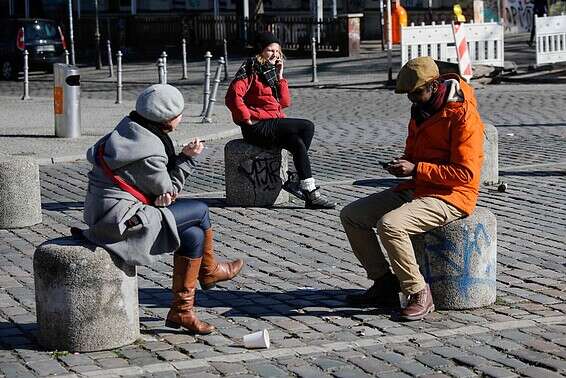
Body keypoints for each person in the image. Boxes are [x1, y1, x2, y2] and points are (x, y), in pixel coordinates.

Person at [79, 84, 244, 334]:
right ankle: (210, 272)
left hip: (108, 210)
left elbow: (155, 187)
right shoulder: (149, 152)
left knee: (193, 235)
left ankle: (182, 311)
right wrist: (188, 159)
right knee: (199, 210)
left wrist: (173, 168)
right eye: (179, 114)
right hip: (119, 221)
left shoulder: (131, 128)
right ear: (167, 119)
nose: (181, 118)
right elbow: (168, 191)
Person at [340, 57, 484, 321]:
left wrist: (417, 169)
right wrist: (404, 165)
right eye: (409, 95)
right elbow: (415, 154)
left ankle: (418, 291)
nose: (413, 99)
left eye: (417, 93)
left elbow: (465, 174)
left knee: (391, 225)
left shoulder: (462, 114)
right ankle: (384, 283)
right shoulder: (421, 110)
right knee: (352, 215)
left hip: (452, 195)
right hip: (418, 186)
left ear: (435, 85)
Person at [225, 31, 336, 209]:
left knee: (298, 143)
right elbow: (232, 97)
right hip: (257, 127)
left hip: (273, 124)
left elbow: (284, 102)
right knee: (307, 126)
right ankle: (300, 181)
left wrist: (280, 76)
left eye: (277, 51)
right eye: (270, 50)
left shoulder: (271, 72)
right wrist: (246, 119)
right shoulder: (250, 68)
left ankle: (309, 193)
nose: (275, 54)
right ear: (260, 51)